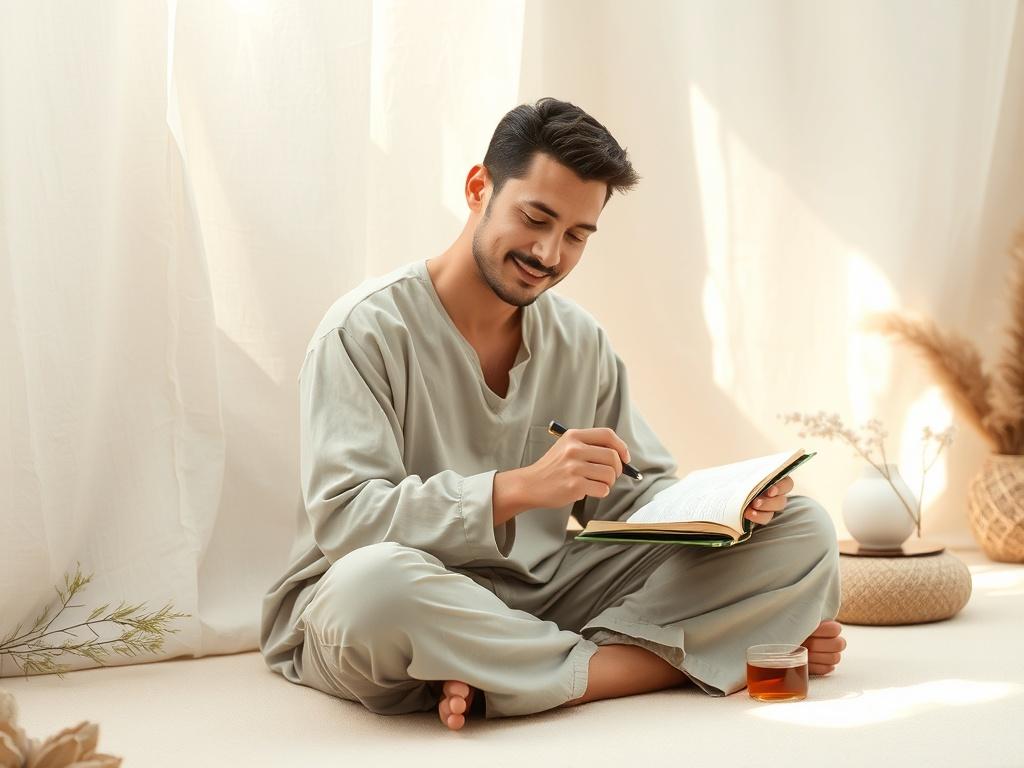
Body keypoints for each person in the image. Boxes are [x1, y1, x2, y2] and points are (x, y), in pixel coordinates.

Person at [259, 97, 845, 731]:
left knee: (804, 527)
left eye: (576, 235)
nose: (548, 252)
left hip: (540, 595)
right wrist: (522, 489)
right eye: (535, 218)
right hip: (394, 595)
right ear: (478, 187)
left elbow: (630, 502)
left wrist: (731, 509)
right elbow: (349, 522)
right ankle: (646, 665)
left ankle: (500, 676)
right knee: (371, 589)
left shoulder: (580, 341)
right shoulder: (363, 331)